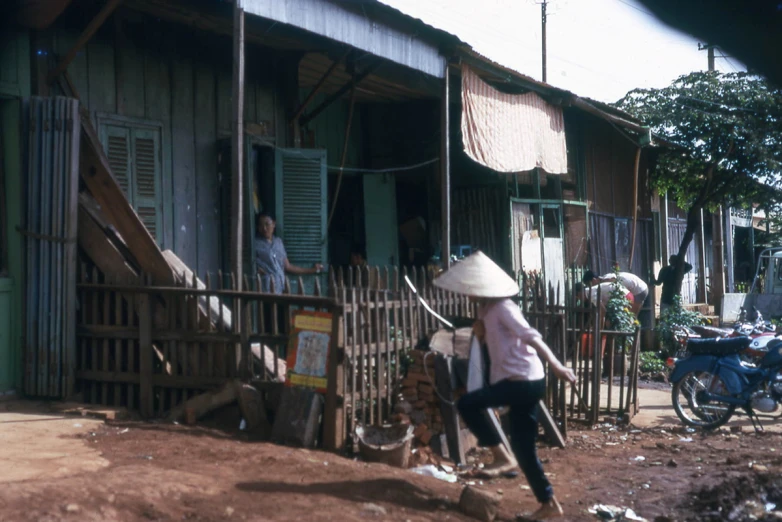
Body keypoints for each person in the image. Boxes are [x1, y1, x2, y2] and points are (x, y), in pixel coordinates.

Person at [433, 251, 576, 521]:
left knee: (467, 403)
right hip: (518, 382)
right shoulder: (485, 311)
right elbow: (496, 355)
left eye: (471, 288)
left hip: (526, 381)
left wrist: (556, 365)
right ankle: (549, 504)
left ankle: (501, 457)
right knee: (523, 448)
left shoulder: (503, 307)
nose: (468, 293)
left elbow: (531, 337)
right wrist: (482, 336)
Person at [255, 212, 323, 294]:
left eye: (267, 224)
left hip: (281, 289)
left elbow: (288, 266)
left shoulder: (278, 242)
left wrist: (312, 270)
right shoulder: (255, 244)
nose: (264, 228)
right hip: (265, 290)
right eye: (261, 225)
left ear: (273, 224)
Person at [583, 269, 648, 315]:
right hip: (640, 287)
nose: (590, 287)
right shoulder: (605, 278)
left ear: (594, 280)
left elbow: (618, 290)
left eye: (589, 285)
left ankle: (630, 333)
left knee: (630, 317)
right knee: (630, 316)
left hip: (638, 290)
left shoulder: (607, 280)